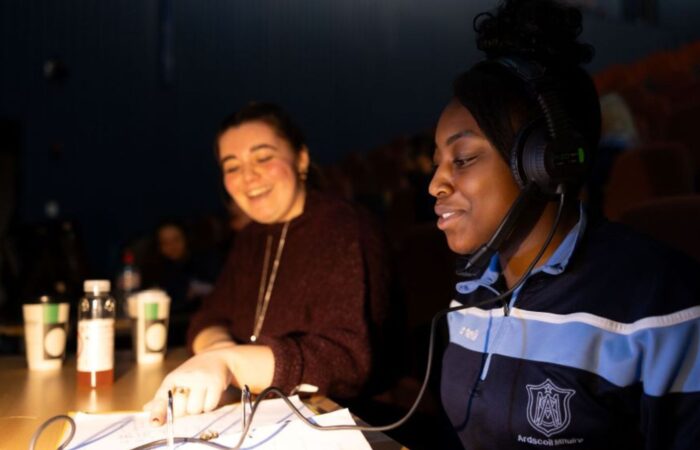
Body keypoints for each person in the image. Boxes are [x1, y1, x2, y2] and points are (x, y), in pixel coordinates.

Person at [428, 1, 700, 448]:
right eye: (437, 162)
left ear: (544, 164)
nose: (435, 184)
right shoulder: (471, 293)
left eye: (463, 159)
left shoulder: (663, 304)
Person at [145, 102, 390, 423]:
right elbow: (208, 316)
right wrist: (216, 354)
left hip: (348, 421)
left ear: (301, 159)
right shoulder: (252, 236)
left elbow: (347, 362)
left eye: (263, 158)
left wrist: (232, 363)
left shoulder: (344, 226)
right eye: (232, 166)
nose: (248, 176)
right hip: (258, 413)